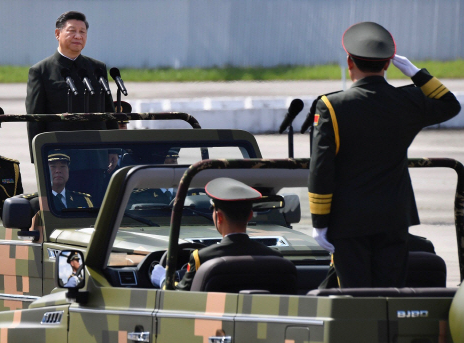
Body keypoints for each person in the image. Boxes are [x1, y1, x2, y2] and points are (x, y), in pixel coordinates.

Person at [308, 22, 461, 288]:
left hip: (348, 221)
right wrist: (416, 73)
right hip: (394, 217)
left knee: (355, 299)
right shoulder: (409, 101)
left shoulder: (332, 106)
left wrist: (320, 222)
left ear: (349, 62)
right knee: (391, 295)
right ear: (388, 64)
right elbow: (450, 105)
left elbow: (322, 168)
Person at [151, 177, 282, 290]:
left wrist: (163, 279)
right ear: (250, 216)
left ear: (219, 217)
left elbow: (179, 299)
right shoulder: (274, 258)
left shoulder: (202, 258)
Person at [26, 11, 115, 161]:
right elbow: (35, 120)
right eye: (72, 31)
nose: (78, 36)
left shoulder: (97, 68)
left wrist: (114, 149)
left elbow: (109, 112)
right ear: (57, 34)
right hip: (60, 156)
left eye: (82, 32)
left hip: (96, 155)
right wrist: (38, 157)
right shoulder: (41, 71)